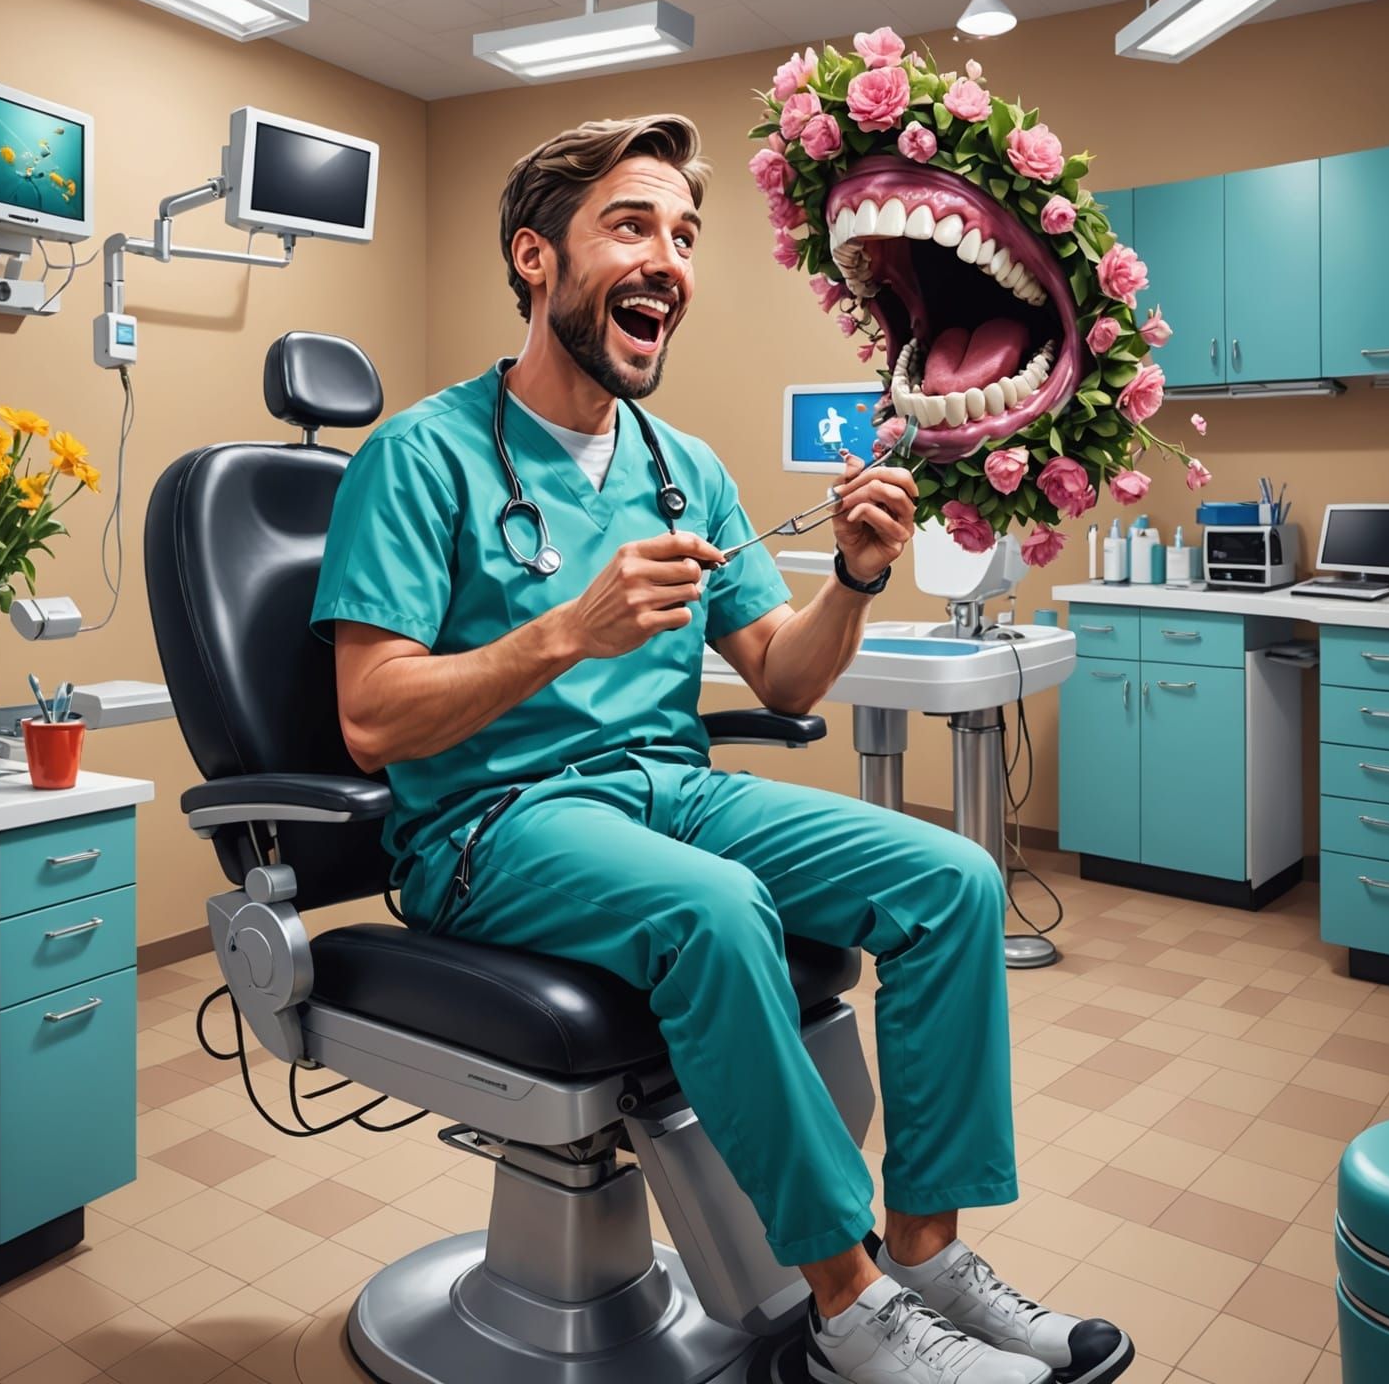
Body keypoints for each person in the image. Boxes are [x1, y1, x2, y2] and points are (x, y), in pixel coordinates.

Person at [312, 115, 1132, 1384]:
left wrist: (856, 579)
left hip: (666, 792)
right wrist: (565, 634)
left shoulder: (682, 468)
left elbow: (786, 676)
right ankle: (849, 1307)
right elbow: (372, 718)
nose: (669, 260)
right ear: (536, 259)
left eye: (684, 236)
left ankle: (922, 1255)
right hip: (491, 823)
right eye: (631, 226)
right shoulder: (419, 458)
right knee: (718, 911)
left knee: (952, 882)